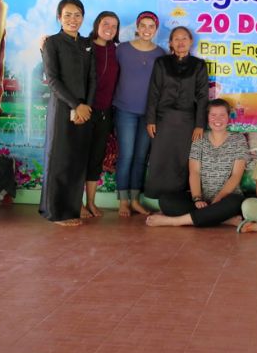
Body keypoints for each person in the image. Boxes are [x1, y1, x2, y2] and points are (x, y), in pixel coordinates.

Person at [146, 99, 248, 228]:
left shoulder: (238, 139)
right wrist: (197, 198)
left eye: (222, 115)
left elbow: (236, 175)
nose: (218, 119)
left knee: (234, 204)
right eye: (213, 115)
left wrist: (218, 199)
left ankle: (174, 221)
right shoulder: (199, 138)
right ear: (207, 117)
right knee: (166, 201)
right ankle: (223, 220)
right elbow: (194, 172)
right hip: (202, 199)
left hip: (227, 198)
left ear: (228, 117)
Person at [39, 0, 96, 226]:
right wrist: (75, 105)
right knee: (59, 160)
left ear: (83, 17)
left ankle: (72, 207)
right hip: (62, 109)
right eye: (68, 15)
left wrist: (86, 106)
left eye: (77, 15)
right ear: (59, 17)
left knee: (77, 160)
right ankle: (55, 212)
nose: (73, 19)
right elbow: (52, 80)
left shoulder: (87, 44)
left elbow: (93, 78)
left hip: (85, 111)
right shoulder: (52, 43)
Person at [144, 26, 209, 199]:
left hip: (187, 122)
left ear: (191, 41)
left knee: (181, 160)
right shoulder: (162, 63)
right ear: (170, 43)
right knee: (160, 157)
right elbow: (154, 92)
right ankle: (157, 198)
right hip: (163, 120)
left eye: (184, 38)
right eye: (176, 39)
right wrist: (150, 120)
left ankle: (178, 199)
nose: (181, 42)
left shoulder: (198, 65)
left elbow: (203, 96)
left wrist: (199, 125)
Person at [112, 12, 165, 217]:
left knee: (141, 157)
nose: (146, 30)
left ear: (156, 29)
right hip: (125, 110)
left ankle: (135, 200)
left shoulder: (160, 54)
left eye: (151, 26)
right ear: (137, 27)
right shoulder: (122, 49)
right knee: (126, 156)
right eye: (143, 25)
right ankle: (123, 201)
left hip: (148, 114)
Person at [81, 11, 120, 219]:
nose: (109, 29)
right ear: (97, 24)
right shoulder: (83, 46)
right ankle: (75, 202)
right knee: (79, 158)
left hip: (105, 113)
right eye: (106, 24)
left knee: (96, 158)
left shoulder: (117, 51)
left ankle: (91, 202)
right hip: (84, 110)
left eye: (114, 26)